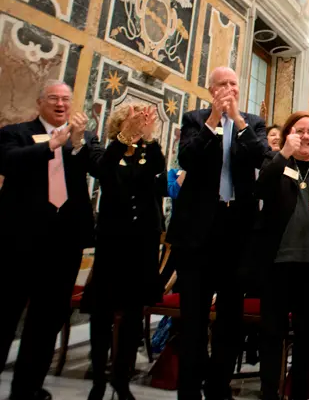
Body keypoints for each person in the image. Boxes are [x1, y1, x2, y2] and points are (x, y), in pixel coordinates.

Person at [166, 66, 269, 400]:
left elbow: (259, 158)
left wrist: (237, 120)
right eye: (222, 84)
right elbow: (188, 158)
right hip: (197, 231)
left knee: (230, 316)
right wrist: (213, 119)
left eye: (234, 84)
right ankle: (189, 387)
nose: (229, 89)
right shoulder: (195, 120)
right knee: (193, 315)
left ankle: (219, 385)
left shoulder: (252, 123)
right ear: (211, 90)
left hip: (236, 232)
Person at [0, 80, 102, 400]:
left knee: (47, 321)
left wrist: (76, 142)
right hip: (20, 240)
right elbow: (9, 162)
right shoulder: (16, 132)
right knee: (4, 314)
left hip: (64, 243)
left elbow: (99, 167)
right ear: (40, 102)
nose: (60, 104)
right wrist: (50, 145)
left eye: (66, 100)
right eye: (54, 99)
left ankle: (27, 388)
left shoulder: (81, 138)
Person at [254, 112, 309, 400]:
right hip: (276, 265)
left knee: (306, 339)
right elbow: (261, 188)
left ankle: (299, 393)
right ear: (289, 133)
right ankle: (268, 393)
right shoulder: (278, 162)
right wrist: (284, 153)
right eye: (299, 131)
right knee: (271, 335)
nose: (306, 136)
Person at [86, 104, 165, 400]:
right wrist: (124, 139)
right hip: (112, 243)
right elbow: (102, 170)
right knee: (102, 314)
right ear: (119, 125)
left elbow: (158, 166)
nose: (134, 126)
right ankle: (97, 380)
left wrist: (148, 136)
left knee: (133, 315)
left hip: (141, 245)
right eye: (129, 122)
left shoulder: (148, 154)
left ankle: (121, 379)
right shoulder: (106, 152)